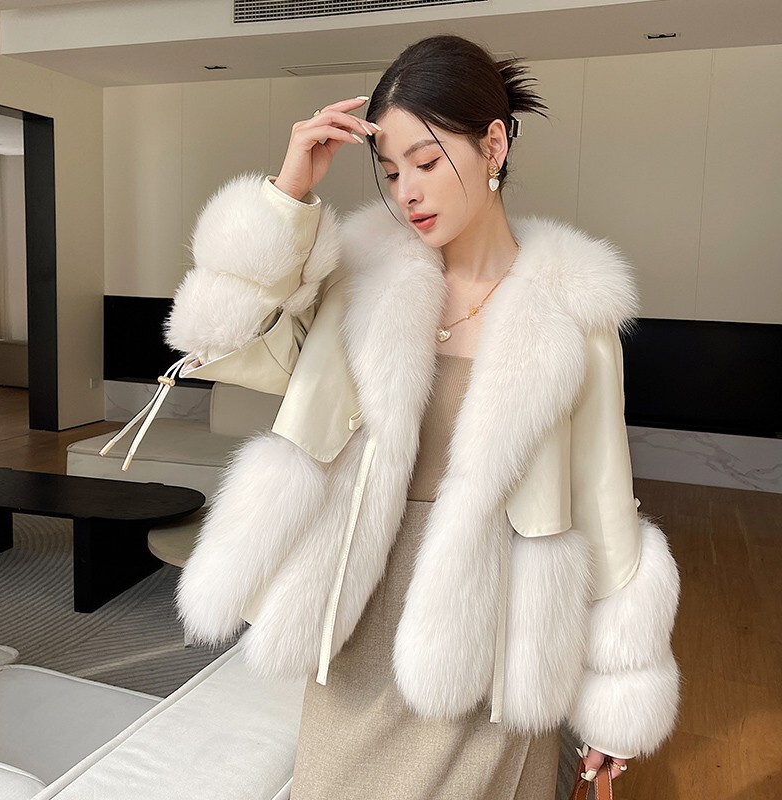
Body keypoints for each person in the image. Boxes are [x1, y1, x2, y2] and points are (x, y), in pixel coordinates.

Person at [156, 34, 680, 800]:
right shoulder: (363, 281)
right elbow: (225, 344)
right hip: (358, 608)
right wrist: (287, 198)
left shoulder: (573, 315)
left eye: (427, 163)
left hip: (490, 632)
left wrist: (618, 697)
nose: (407, 191)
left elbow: (604, 509)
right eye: (392, 169)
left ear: (494, 145)